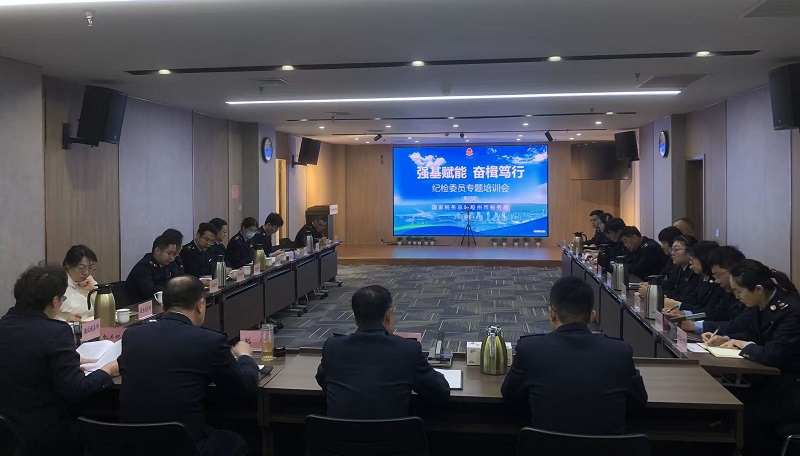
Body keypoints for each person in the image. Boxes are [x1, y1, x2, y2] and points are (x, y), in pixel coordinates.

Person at [119, 275, 258, 456]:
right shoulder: (210, 341)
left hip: (132, 444)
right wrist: (245, 356)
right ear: (201, 305)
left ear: (163, 306)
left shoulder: (131, 335)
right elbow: (243, 387)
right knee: (237, 441)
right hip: (185, 444)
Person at [501, 276, 647, 435]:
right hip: (609, 447)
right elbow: (639, 401)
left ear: (552, 313)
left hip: (545, 446)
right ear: (592, 316)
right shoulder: (620, 353)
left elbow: (510, 396)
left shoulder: (529, 350)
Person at [0, 265, 118, 456]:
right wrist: (108, 370)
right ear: (55, 301)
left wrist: (65, 363)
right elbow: (77, 390)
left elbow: (27, 363)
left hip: (6, 433)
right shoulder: (56, 332)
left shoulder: (4, 325)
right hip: (46, 435)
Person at [702, 260, 800, 456]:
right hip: (766, 384)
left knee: (743, 416)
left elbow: (773, 353)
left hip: (789, 391)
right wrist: (727, 339)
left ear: (758, 289)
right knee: (716, 401)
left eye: (738, 291)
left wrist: (744, 345)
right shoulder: (761, 304)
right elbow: (752, 334)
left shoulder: (791, 311)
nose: (736, 296)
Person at [315, 285, 450, 418]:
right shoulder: (408, 350)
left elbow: (323, 380)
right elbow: (440, 392)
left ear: (354, 318)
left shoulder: (333, 347)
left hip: (340, 432)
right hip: (393, 433)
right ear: (388, 315)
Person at [666, 245, 750, 335]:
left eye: (717, 275)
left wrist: (693, 325)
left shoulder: (749, 293)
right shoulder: (728, 292)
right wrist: (685, 315)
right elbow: (716, 313)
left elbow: (738, 325)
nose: (716, 281)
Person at [125, 235, 181, 303]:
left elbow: (175, 277)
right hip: (137, 305)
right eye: (169, 253)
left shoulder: (165, 264)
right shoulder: (144, 266)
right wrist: (172, 289)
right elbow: (149, 291)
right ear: (157, 251)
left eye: (174, 254)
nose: (172, 258)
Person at [59, 244, 99, 322]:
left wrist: (93, 290)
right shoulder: (58, 284)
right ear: (68, 265)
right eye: (81, 268)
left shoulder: (90, 280)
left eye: (90, 268)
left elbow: (105, 307)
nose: (86, 273)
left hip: (93, 325)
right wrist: (65, 321)